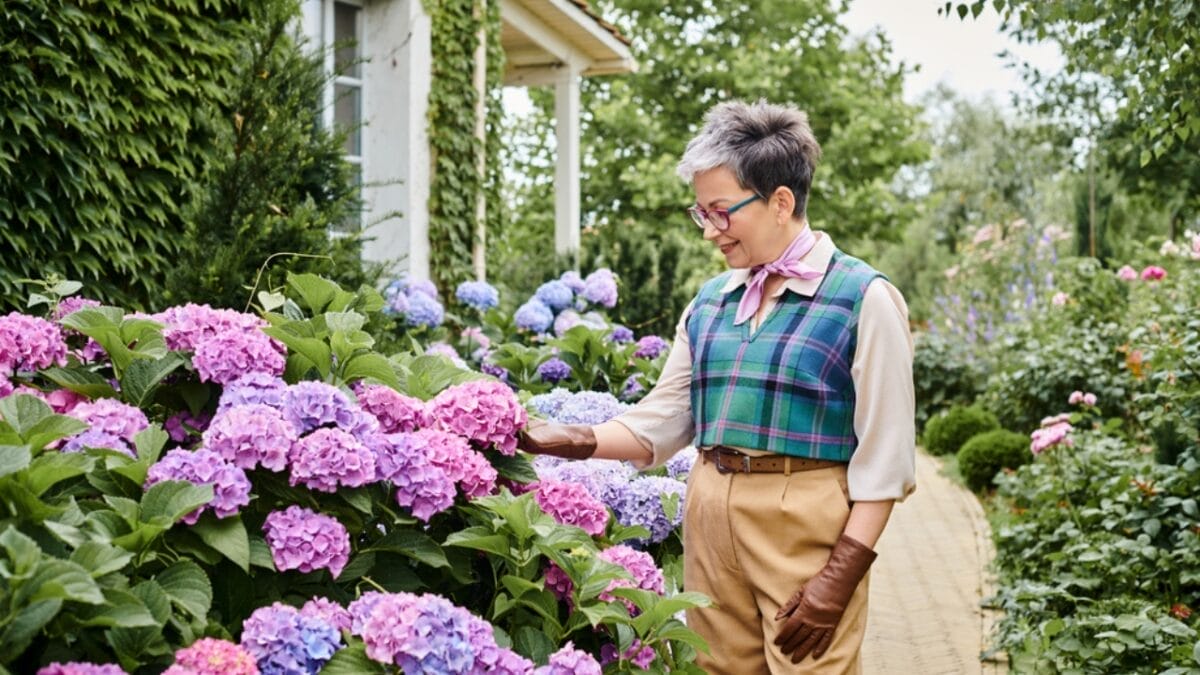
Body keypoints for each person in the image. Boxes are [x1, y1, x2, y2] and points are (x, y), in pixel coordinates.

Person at [519, 99, 916, 674]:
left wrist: (840, 576)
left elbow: (887, 456)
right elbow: (664, 419)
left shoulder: (863, 298)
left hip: (804, 526)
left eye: (721, 212)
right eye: (700, 213)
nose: (709, 231)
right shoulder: (711, 302)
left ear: (781, 202)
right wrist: (568, 438)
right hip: (710, 518)